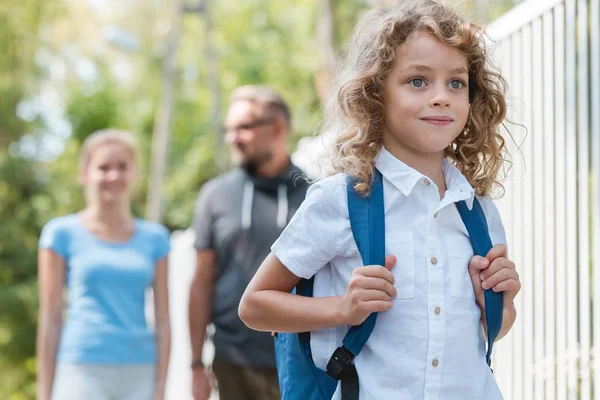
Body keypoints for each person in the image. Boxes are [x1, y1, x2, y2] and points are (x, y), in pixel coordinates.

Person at [239, 1, 521, 399]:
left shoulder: (477, 211)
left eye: (456, 82)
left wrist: (497, 304)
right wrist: (342, 308)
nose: (441, 96)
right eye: (418, 81)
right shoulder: (341, 200)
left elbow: (488, 331)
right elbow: (255, 305)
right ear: (375, 95)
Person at [189, 85, 309, 400]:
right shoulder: (214, 196)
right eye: (229, 129)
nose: (233, 138)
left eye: (244, 127)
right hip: (232, 361)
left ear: (278, 128)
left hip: (299, 358)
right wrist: (195, 365)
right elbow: (201, 283)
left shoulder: (315, 195)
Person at [36, 129, 171, 400]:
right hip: (81, 366)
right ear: (84, 173)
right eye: (103, 167)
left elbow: (164, 323)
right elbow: (51, 319)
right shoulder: (60, 233)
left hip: (140, 369)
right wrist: (44, 392)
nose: (113, 176)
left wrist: (160, 389)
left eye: (122, 167)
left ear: (134, 173)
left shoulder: (155, 238)